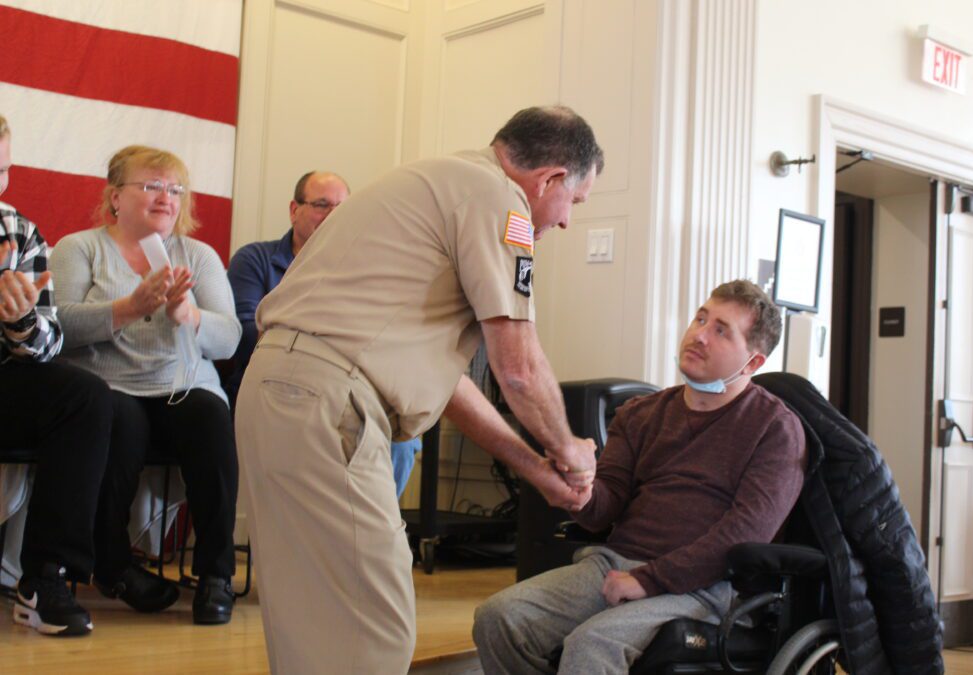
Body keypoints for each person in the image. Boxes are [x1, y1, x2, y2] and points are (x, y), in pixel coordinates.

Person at [235, 105, 603, 673]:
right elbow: (520, 368)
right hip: (329, 403)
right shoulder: (500, 200)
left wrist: (535, 469)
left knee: (310, 625)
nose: (567, 222)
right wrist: (570, 450)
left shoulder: (439, 180)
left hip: (280, 391)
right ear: (550, 178)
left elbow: (451, 384)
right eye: (574, 201)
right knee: (374, 629)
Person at [473, 280, 808, 674]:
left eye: (721, 330)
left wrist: (650, 580)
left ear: (752, 363)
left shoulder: (776, 429)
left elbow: (744, 534)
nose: (699, 335)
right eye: (701, 319)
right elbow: (604, 508)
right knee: (499, 618)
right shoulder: (641, 413)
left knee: (593, 645)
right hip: (616, 565)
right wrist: (581, 491)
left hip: (709, 587)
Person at [50, 145, 242, 625]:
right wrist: (129, 308)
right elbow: (59, 326)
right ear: (116, 197)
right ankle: (113, 566)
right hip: (109, 386)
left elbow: (229, 339)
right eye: (152, 185)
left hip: (182, 384)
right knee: (118, 422)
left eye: (175, 189)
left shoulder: (197, 255)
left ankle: (216, 575)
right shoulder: (80, 248)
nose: (166, 197)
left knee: (212, 419)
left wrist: (189, 315)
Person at [226, 171, 421, 497]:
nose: (332, 215)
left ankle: (368, 526)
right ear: (294, 210)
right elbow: (245, 337)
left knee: (403, 443)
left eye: (342, 207)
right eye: (321, 205)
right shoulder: (256, 259)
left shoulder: (368, 267)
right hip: (275, 389)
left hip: (348, 389)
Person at [0, 114, 112, 637]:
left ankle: (46, 576)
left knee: (83, 395)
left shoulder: (18, 231)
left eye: (1, 170)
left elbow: (47, 347)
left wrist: (20, 319)